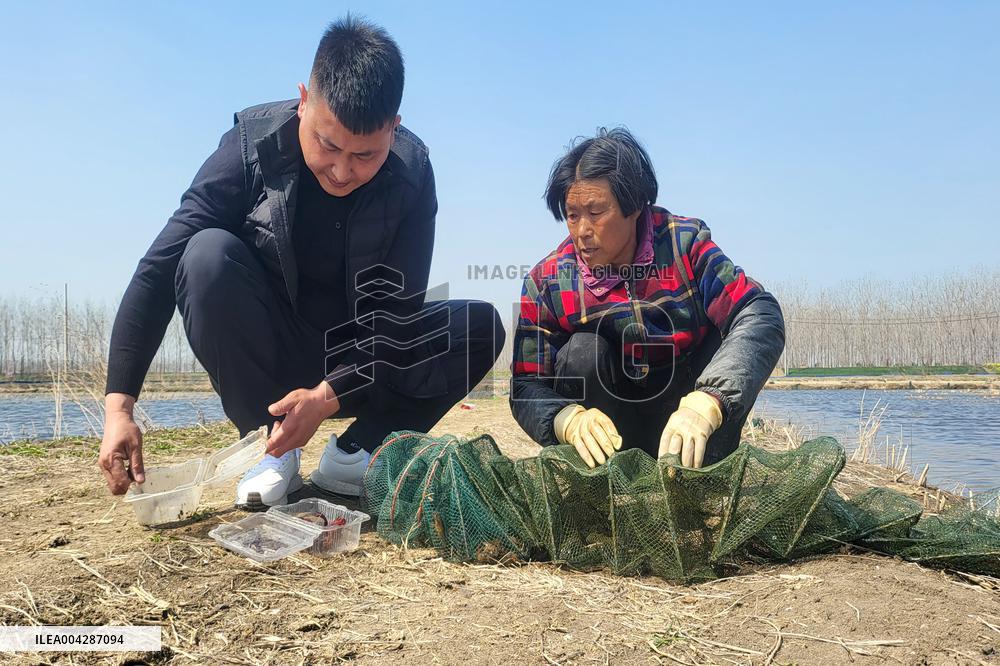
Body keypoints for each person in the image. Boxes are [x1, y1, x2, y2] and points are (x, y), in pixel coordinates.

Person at [98, 16, 504, 509]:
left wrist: (328, 395)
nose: (342, 170)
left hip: (360, 362)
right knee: (204, 255)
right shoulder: (249, 147)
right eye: (328, 144)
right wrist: (120, 406)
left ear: (393, 130)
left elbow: (398, 314)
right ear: (303, 102)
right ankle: (270, 452)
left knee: (478, 326)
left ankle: (360, 452)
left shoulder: (413, 174)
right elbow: (159, 266)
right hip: (273, 355)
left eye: (365, 155)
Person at [510, 128, 784, 469]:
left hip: (688, 426)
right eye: (572, 215)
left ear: (635, 206)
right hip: (607, 436)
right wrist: (565, 418)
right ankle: (601, 487)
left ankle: (701, 482)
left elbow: (759, 313)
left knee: (722, 336)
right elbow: (525, 384)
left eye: (596, 212)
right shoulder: (548, 280)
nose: (581, 230)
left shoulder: (685, 245)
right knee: (581, 353)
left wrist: (709, 401)